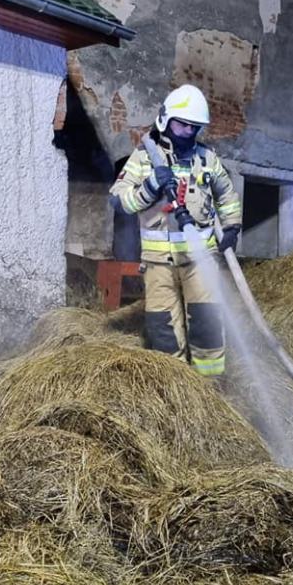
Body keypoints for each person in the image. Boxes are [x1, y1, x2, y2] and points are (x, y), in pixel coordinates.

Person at [109, 84, 241, 376]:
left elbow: (227, 194)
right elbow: (119, 200)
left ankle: (211, 389)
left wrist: (232, 227)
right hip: (159, 264)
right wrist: (151, 186)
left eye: (194, 127)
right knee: (163, 330)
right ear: (165, 120)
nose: (188, 132)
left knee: (207, 325)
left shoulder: (207, 159)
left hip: (201, 261)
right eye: (182, 125)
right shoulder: (144, 158)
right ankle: (179, 389)